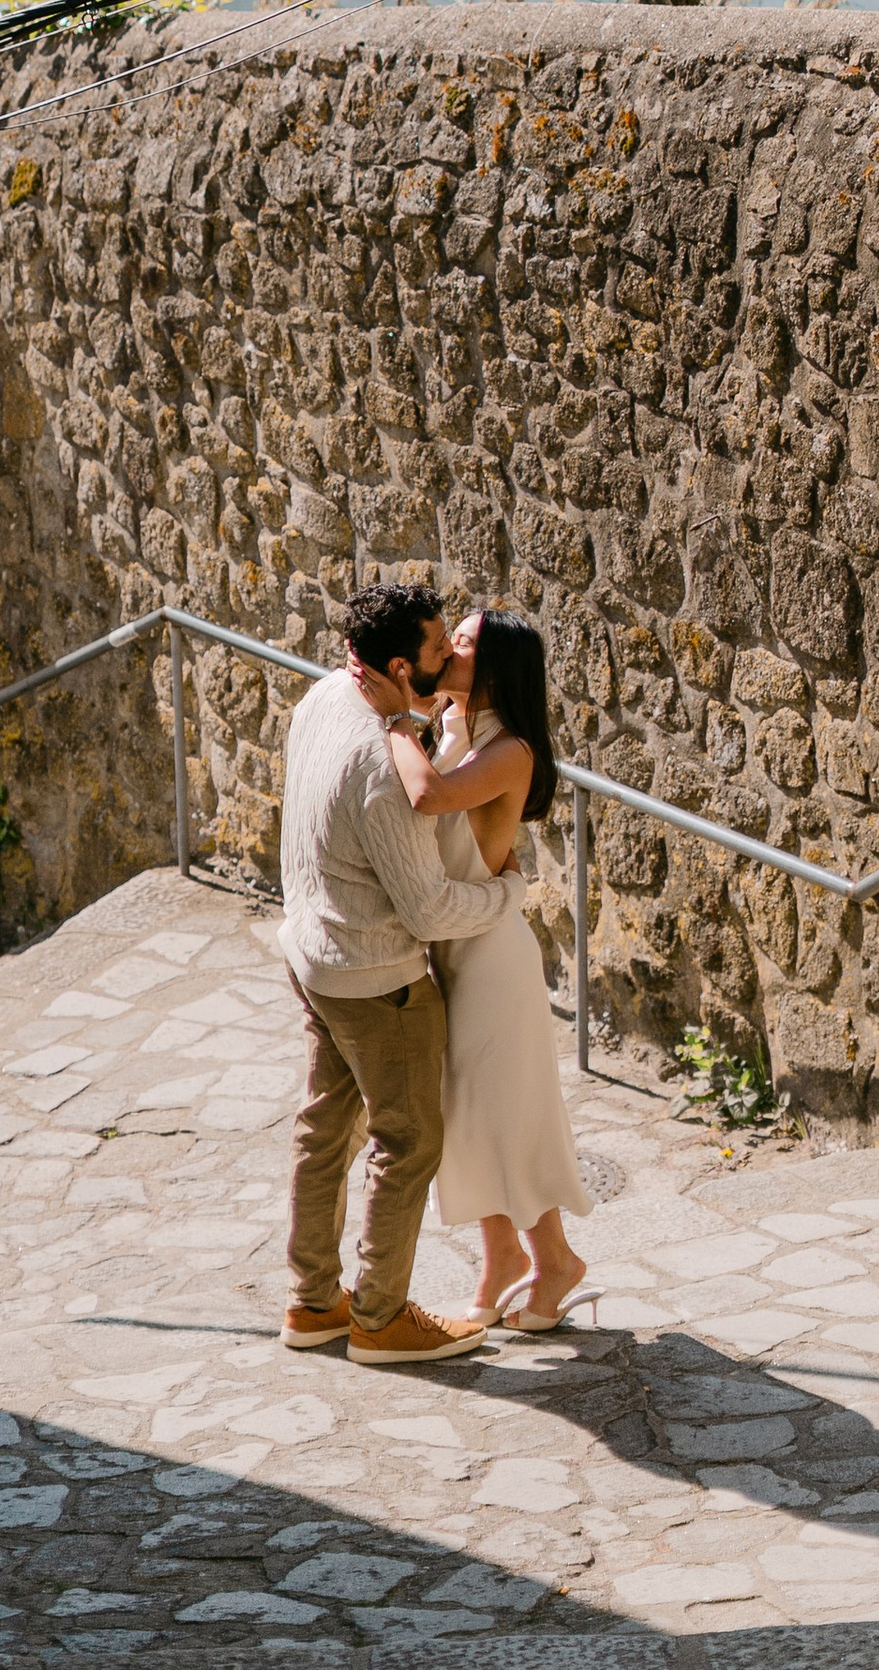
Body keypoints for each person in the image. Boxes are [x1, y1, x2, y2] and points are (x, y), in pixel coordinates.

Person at [276, 579, 519, 1367]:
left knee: (322, 1134)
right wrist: (511, 892)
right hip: (379, 981)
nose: (451, 654)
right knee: (406, 1143)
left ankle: (313, 1304)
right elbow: (430, 911)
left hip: (312, 957)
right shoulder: (382, 766)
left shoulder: (321, 699)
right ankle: (380, 1318)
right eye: (437, 648)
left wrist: (409, 719)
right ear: (396, 665)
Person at [375, 607, 592, 1331]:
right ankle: (501, 1258)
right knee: (466, 1115)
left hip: (493, 957)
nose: (448, 652)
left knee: (505, 1116)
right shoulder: (463, 730)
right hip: (454, 947)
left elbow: (428, 797)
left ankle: (555, 1258)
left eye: (462, 645)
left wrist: (394, 724)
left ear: (495, 668)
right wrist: (430, 722)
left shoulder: (513, 751)